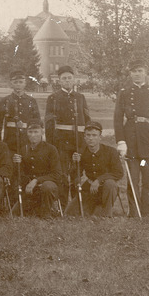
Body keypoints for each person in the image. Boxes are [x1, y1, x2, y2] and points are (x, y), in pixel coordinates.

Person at [113, 58, 149, 217]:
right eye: (134, 71)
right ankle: (134, 211)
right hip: (131, 141)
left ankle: (147, 211)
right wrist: (121, 141)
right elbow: (118, 118)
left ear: (145, 73)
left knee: (148, 179)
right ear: (130, 74)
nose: (137, 74)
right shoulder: (124, 93)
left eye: (140, 71)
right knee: (133, 178)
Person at [44, 65, 91, 207]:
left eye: (69, 78)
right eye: (64, 78)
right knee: (63, 173)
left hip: (78, 140)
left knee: (76, 173)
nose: (67, 81)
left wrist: (86, 140)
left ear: (74, 79)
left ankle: (76, 205)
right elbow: (49, 123)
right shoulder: (53, 98)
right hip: (61, 142)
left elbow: (87, 119)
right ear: (59, 81)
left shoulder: (80, 97)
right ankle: (63, 205)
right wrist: (51, 144)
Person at [66, 121, 124, 217]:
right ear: (84, 137)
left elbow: (119, 173)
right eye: (88, 135)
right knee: (70, 213)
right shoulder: (81, 152)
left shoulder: (111, 152)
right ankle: (95, 208)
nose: (91, 138)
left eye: (94, 135)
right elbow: (75, 175)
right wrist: (75, 163)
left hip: (107, 188)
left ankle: (106, 213)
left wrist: (99, 180)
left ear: (100, 137)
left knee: (110, 183)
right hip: (90, 187)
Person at [11, 119, 62, 218]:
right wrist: (17, 164)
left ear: (42, 132)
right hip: (30, 188)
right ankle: (35, 208)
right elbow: (20, 174)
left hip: (47, 186)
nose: (33, 135)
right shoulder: (23, 149)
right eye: (30, 132)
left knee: (47, 186)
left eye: (36, 132)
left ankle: (46, 213)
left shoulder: (51, 149)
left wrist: (36, 180)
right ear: (27, 133)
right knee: (14, 214)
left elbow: (57, 174)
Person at [0, 70, 41, 154]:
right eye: (15, 82)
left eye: (21, 82)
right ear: (11, 84)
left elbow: (37, 121)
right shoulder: (5, 101)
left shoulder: (31, 101)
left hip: (27, 138)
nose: (18, 84)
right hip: (9, 139)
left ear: (25, 83)